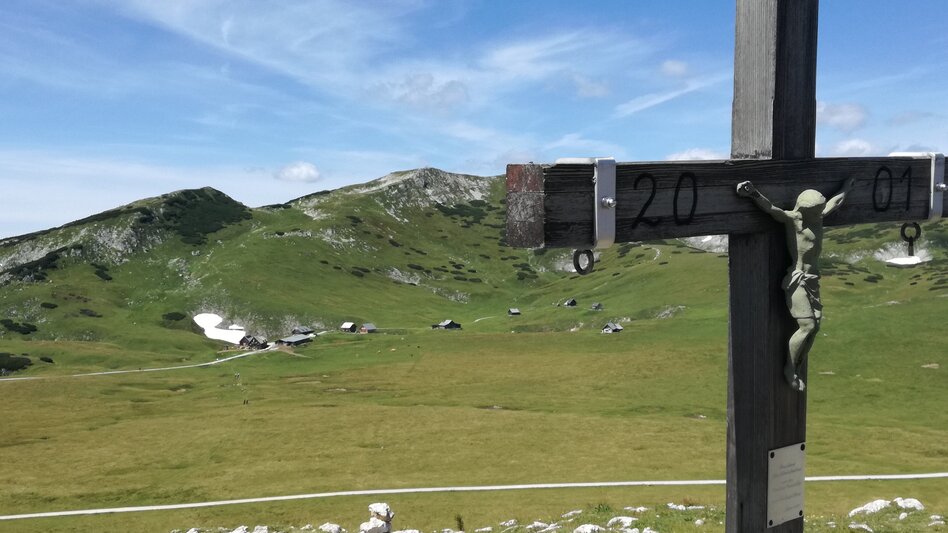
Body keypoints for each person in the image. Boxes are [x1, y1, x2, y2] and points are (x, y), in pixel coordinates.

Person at [736, 177, 855, 391]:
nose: (820, 212)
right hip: (797, 279)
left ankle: (798, 364)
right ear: (804, 209)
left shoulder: (817, 218)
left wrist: (846, 187)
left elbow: (835, 202)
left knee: (815, 327)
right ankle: (789, 369)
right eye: (816, 210)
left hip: (813, 279)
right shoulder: (794, 220)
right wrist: (752, 193)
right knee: (807, 325)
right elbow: (771, 209)